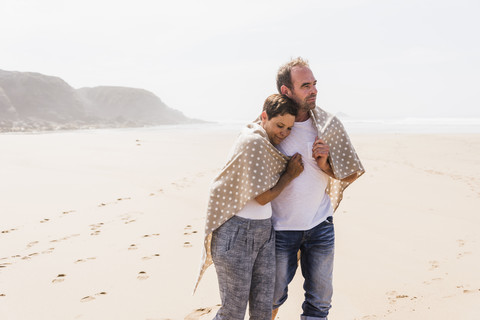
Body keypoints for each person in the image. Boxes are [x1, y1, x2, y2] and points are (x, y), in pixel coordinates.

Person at [194, 94, 305, 320]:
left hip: (264, 231)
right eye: (279, 125)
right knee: (233, 311)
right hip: (236, 233)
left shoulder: (266, 144)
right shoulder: (253, 141)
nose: (283, 132)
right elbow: (262, 197)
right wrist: (289, 175)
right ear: (264, 117)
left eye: (289, 128)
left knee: (263, 311)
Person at [271, 57, 365, 320]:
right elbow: (251, 172)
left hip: (320, 226)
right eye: (305, 85)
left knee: (319, 303)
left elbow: (351, 172)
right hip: (279, 229)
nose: (313, 90)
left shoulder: (327, 124)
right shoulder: (272, 127)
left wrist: (325, 166)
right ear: (286, 91)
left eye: (314, 84)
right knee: (270, 298)